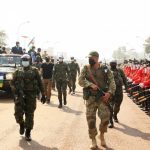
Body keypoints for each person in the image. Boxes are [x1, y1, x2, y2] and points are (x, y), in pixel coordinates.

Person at [78, 51, 116, 149]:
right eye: (88, 58)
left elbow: (112, 81)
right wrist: (90, 84)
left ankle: (101, 134)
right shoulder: (86, 68)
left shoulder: (105, 69)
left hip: (102, 97)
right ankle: (93, 139)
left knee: (105, 118)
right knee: (90, 119)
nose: (89, 59)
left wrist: (110, 93)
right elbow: (80, 80)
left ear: (96, 58)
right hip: (90, 98)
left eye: (91, 58)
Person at [11, 54, 46, 141]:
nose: (25, 62)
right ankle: (21, 124)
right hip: (20, 95)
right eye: (23, 60)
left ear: (29, 61)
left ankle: (28, 132)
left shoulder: (35, 71)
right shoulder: (17, 71)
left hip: (31, 95)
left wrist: (43, 94)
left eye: (26, 60)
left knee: (29, 114)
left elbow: (40, 82)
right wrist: (15, 91)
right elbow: (12, 82)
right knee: (18, 113)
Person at [108, 60, 127, 128]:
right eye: (112, 64)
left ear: (116, 64)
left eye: (114, 64)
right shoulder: (107, 71)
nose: (113, 65)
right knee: (110, 106)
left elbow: (124, 78)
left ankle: (115, 115)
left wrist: (126, 87)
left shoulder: (120, 70)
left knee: (117, 105)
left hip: (119, 90)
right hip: (110, 91)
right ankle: (110, 121)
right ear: (110, 65)